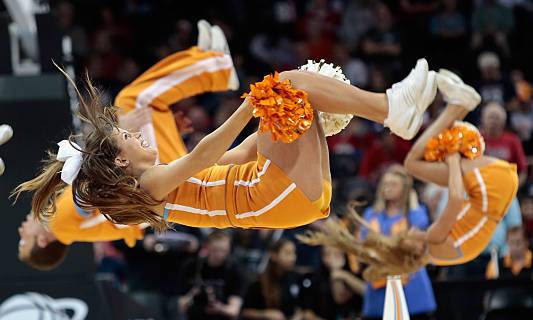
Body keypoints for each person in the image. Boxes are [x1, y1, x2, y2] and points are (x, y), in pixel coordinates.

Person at [13, 55, 438, 233]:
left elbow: (233, 156)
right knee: (283, 86)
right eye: (129, 136)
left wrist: (269, 121)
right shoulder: (152, 186)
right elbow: (206, 152)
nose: (138, 133)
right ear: (123, 161)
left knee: (289, 94)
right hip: (271, 196)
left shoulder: (161, 185)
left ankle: (390, 110)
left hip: (285, 196)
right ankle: (390, 109)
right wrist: (251, 106)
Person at [14, 22, 239, 269]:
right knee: (134, 101)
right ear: (43, 240)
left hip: (147, 188)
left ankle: (207, 61)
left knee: (144, 105)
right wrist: (109, 140)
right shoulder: (60, 224)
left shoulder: (68, 226)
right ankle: (216, 67)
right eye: (24, 242)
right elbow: (92, 187)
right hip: (147, 183)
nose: (21, 231)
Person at [300, 70, 519, 279]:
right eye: (408, 235)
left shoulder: (436, 253)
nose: (412, 229)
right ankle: (457, 108)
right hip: (491, 188)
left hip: (497, 192)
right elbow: (454, 198)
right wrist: (452, 159)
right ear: (414, 248)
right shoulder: (433, 243)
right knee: (423, 158)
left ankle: (458, 106)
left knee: (412, 165)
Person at [357, 165, 436, 320]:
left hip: (411, 286)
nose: (388, 188)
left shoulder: (415, 214)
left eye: (393, 184)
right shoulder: (371, 214)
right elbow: (364, 243)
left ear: (405, 188)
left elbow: (421, 230)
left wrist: (413, 202)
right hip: (380, 286)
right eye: (385, 184)